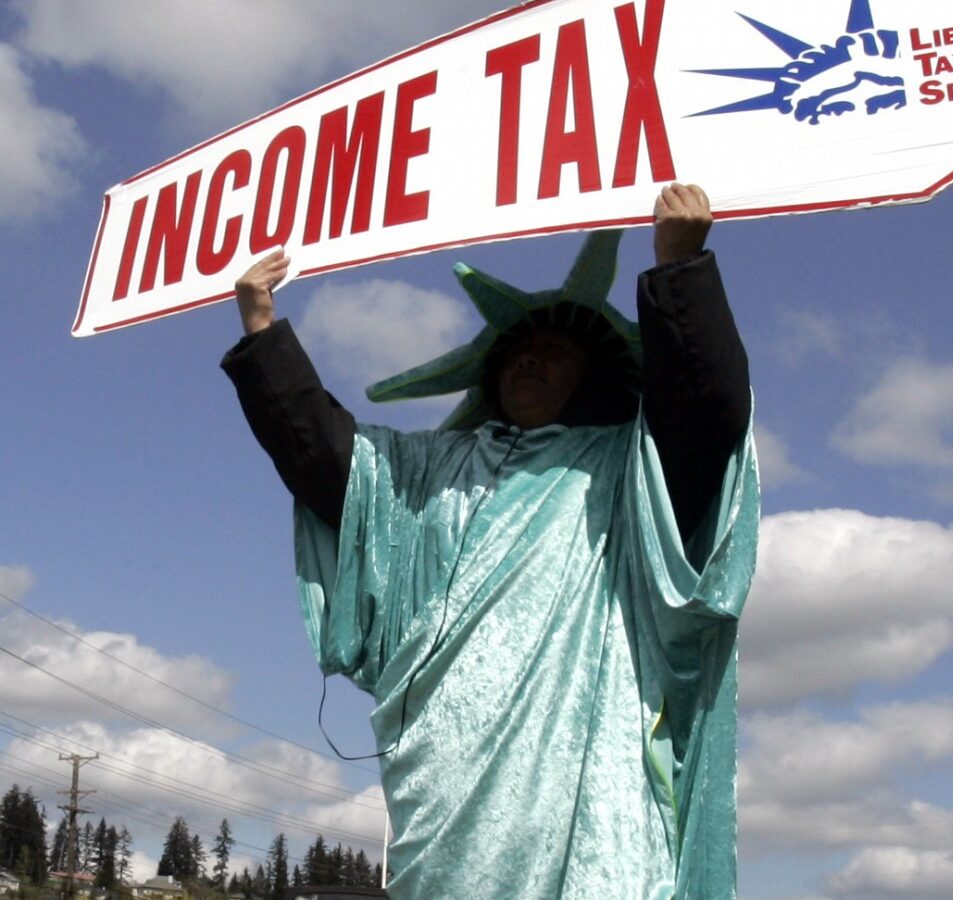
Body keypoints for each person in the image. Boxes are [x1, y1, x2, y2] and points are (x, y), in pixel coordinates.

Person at [221, 184, 759, 899]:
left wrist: (679, 269)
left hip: (581, 783)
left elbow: (702, 420)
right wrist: (263, 329)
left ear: (595, 374)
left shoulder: (628, 466)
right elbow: (324, 460)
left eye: (554, 354)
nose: (529, 362)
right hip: (444, 786)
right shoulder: (426, 473)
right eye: (518, 353)